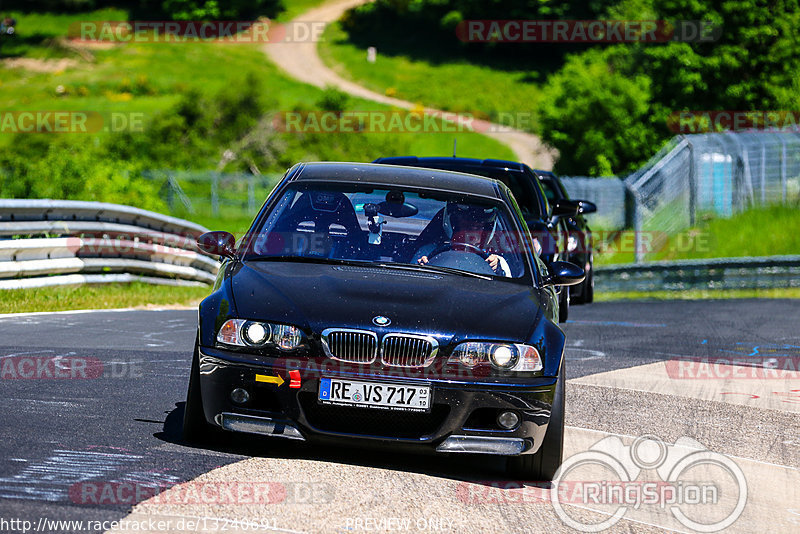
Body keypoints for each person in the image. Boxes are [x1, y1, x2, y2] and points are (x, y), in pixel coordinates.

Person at [414, 201, 511, 277]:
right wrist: (421, 268)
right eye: (466, 226)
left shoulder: (497, 261)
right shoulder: (427, 251)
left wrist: (498, 269)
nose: (472, 233)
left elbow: (508, 292)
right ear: (454, 226)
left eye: (478, 228)